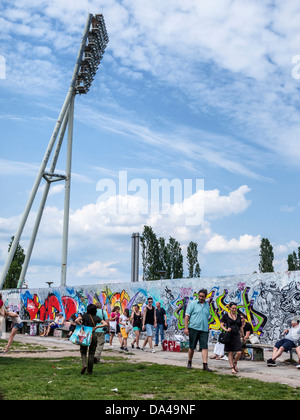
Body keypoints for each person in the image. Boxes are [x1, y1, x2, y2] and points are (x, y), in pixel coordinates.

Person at [184, 289, 212, 372]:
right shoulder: (193, 304)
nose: (201, 298)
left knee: (204, 347)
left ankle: (205, 364)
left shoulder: (207, 305)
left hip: (204, 329)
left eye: (203, 296)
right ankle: (189, 362)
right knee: (192, 346)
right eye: (200, 296)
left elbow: (208, 316)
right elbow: (187, 316)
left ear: (205, 297)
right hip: (193, 328)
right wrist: (186, 328)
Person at [75, 304, 108, 375]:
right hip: (93, 335)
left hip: (85, 335)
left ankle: (84, 364)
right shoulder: (96, 317)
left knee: (83, 351)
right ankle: (89, 371)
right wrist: (96, 327)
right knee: (91, 353)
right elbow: (105, 323)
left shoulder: (84, 316)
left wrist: (81, 324)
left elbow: (76, 320)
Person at [220, 302, 243, 375]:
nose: (234, 309)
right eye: (233, 308)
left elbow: (241, 327)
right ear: (229, 308)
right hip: (229, 336)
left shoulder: (238, 316)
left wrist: (243, 335)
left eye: (235, 308)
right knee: (230, 352)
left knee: (239, 352)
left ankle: (235, 362)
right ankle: (232, 368)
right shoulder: (226, 316)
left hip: (236, 335)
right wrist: (226, 329)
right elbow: (221, 325)